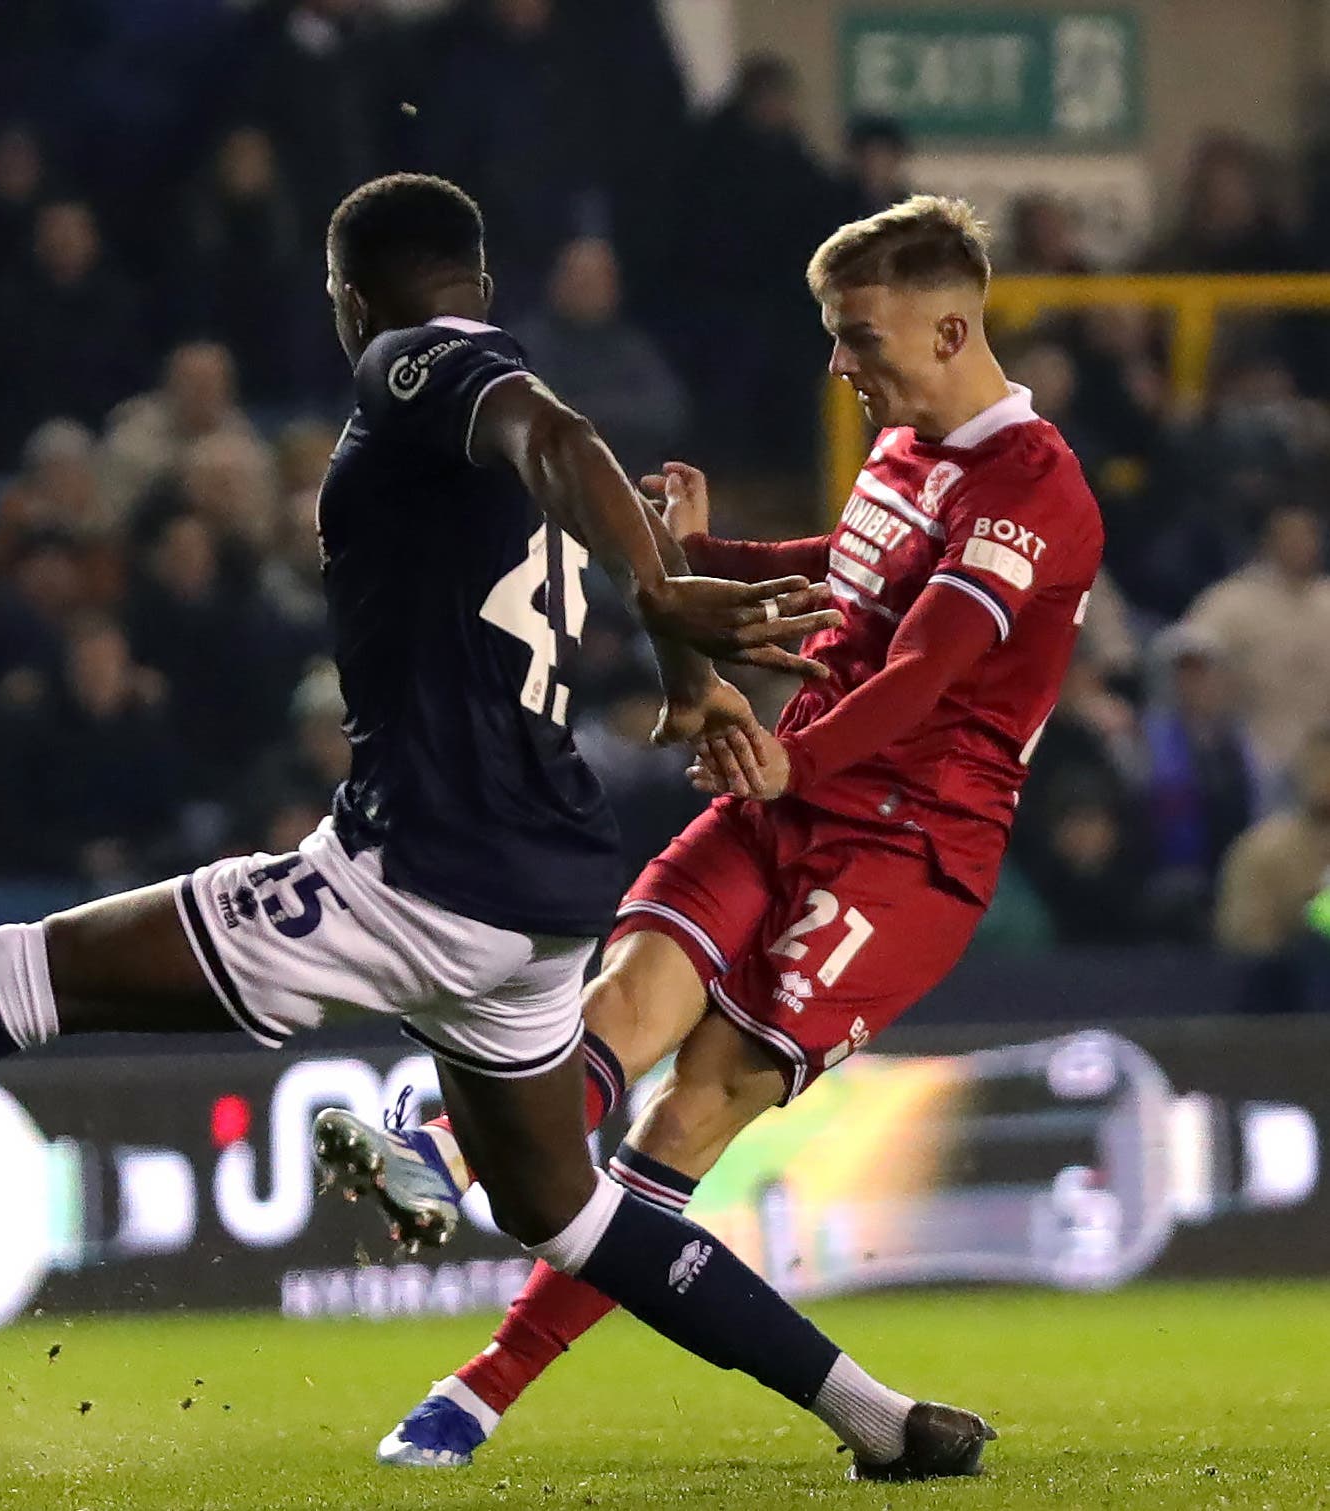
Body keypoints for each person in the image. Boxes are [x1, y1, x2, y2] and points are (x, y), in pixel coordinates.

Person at [0, 173, 991, 1485]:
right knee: (560, 1203)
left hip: (412, 871)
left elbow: (538, 430)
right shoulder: (517, 407)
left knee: (10, 977)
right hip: (539, 895)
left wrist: (665, 605)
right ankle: (874, 1413)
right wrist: (673, 650)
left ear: (351, 298)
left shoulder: (420, 368)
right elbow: (563, 453)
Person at [307, 195, 1100, 1471]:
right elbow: (842, 573)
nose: (837, 364)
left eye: (856, 335)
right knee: (617, 1009)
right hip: (787, 799)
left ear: (951, 327)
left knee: (691, 1112)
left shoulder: (1037, 489)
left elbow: (926, 671)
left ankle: (480, 1389)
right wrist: (696, 551)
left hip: (908, 853)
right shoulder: (904, 452)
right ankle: (442, 1147)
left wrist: (792, 749)